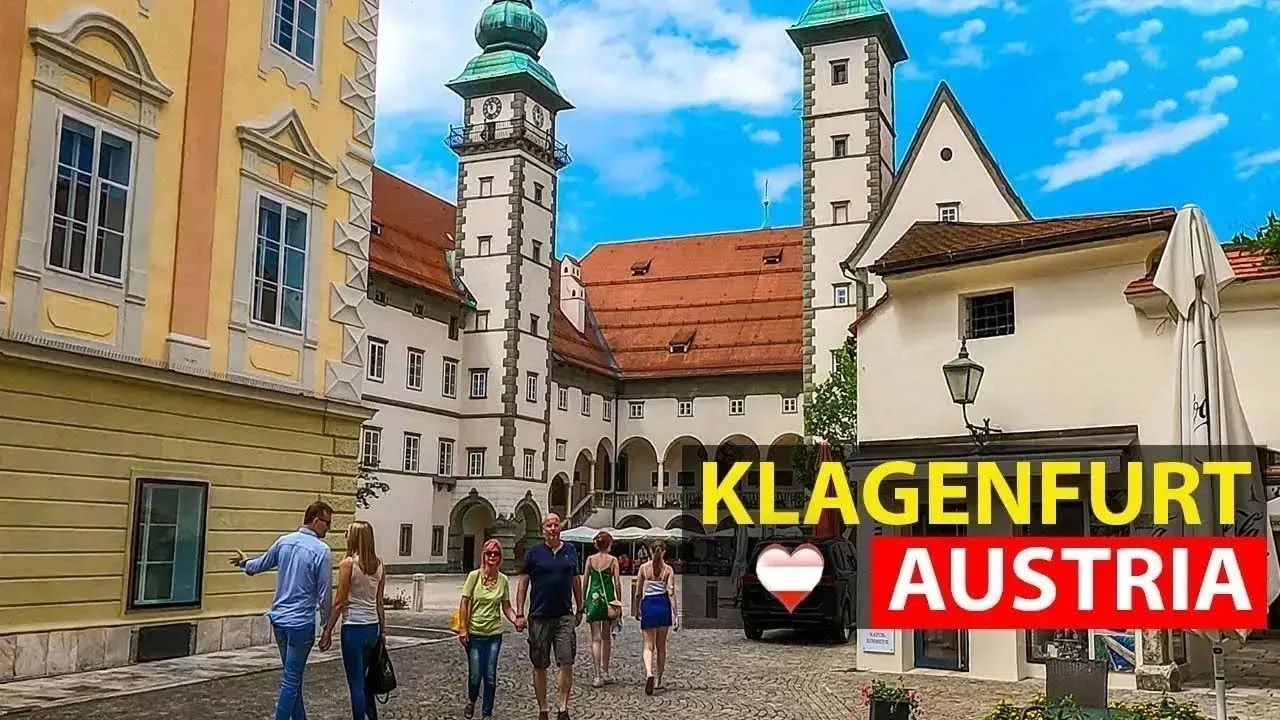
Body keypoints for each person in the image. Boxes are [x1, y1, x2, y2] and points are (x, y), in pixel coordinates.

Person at [230, 501, 335, 720]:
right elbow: (325, 594)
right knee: (291, 679)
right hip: (301, 623)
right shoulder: (322, 551)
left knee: (292, 676)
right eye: (327, 523)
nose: (329, 528)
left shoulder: (284, 542)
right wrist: (327, 626)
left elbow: (259, 565)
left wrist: (244, 563)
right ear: (315, 521)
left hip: (279, 620)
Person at [515, 513, 584, 720]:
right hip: (539, 615)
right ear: (542, 529)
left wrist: (580, 608)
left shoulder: (570, 550)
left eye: (555, 525)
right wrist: (519, 612)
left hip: (564, 615)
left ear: (560, 527)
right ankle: (543, 708)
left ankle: (563, 708)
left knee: (566, 661)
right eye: (548, 525)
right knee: (540, 664)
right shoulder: (534, 553)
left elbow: (576, 581)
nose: (552, 529)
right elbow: (523, 582)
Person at [318, 520, 385, 720]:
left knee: (355, 682)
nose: (345, 536)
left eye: (348, 533)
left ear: (354, 538)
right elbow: (379, 602)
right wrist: (383, 632)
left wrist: (327, 631)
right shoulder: (380, 564)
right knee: (365, 679)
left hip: (353, 627)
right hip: (372, 626)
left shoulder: (348, 564)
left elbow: (340, 601)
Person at [457, 538, 519, 719]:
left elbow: (506, 606)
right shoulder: (474, 576)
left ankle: (487, 713)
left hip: (494, 635)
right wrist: (463, 628)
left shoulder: (503, 580)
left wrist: (516, 619)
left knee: (490, 675)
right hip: (474, 634)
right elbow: (464, 601)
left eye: (496, 553)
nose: (492, 556)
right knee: (476, 674)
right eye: (489, 553)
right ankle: (471, 700)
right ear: (484, 555)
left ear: (500, 557)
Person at [633, 540, 678, 695]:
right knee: (661, 647)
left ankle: (648, 673)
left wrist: (636, 609)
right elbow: (671, 592)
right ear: (664, 552)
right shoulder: (668, 570)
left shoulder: (644, 568)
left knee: (648, 645)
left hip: (649, 605)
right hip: (663, 605)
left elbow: (638, 592)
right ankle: (659, 680)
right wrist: (676, 615)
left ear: (650, 551)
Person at [582, 531, 622, 687]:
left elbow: (585, 581)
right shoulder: (613, 561)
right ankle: (605, 672)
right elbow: (617, 583)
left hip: (593, 598)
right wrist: (619, 601)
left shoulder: (590, 560)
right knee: (606, 638)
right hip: (608, 600)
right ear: (609, 544)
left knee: (595, 638)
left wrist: (584, 601)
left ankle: (597, 675)